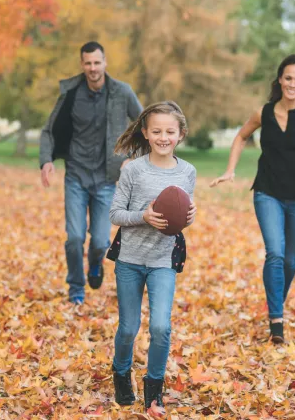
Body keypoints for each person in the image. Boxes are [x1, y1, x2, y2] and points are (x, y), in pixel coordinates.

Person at [211, 54, 295, 344]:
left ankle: (276, 300)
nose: (292, 83)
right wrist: (230, 170)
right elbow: (240, 137)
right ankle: (276, 321)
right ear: (279, 80)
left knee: (289, 260)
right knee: (274, 253)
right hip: (268, 192)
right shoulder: (263, 113)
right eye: (287, 78)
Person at [107, 101, 197, 412]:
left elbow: (181, 215)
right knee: (129, 328)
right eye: (156, 131)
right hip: (130, 260)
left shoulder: (188, 171)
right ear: (145, 133)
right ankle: (120, 373)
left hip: (163, 262)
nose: (163, 137)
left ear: (180, 134)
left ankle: (154, 389)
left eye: (170, 131)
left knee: (161, 327)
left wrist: (191, 216)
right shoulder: (133, 169)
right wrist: (143, 217)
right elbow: (115, 214)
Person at [39, 41, 143, 305]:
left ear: (105, 62)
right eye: (88, 63)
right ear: (82, 64)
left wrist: (131, 158)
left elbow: (145, 125)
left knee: (99, 241)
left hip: (107, 179)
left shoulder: (121, 92)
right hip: (76, 174)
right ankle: (76, 288)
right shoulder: (71, 93)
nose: (93, 68)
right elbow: (49, 130)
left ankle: (95, 265)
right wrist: (46, 160)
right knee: (74, 237)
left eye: (97, 62)